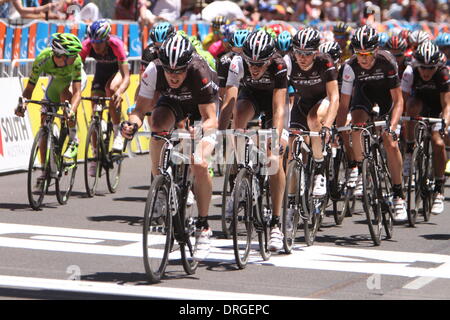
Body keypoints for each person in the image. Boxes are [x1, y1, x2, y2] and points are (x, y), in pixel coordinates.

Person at [122, 34, 219, 261]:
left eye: (178, 72)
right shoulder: (153, 71)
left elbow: (211, 118)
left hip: (202, 109)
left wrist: (200, 131)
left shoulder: (199, 71)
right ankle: (159, 184)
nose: (173, 76)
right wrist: (131, 125)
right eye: (169, 71)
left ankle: (204, 226)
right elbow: (140, 110)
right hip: (173, 102)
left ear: (187, 66)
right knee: (156, 126)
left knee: (199, 162)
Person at [218, 30, 289, 252]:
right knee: (238, 115)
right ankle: (239, 180)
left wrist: (275, 138)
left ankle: (276, 223)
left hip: (273, 102)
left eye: (260, 64)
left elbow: (279, 108)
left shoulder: (279, 65)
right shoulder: (237, 62)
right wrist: (220, 134)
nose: (255, 68)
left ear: (270, 59)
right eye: (251, 63)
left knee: (273, 159)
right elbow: (228, 102)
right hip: (251, 97)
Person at [336, 25, 408, 222]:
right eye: (359, 53)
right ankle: (359, 167)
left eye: (367, 53)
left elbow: (399, 100)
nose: (363, 58)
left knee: (390, 142)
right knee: (356, 125)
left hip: (387, 98)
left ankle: (398, 193)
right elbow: (343, 106)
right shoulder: (350, 66)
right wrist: (340, 131)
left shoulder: (387, 62)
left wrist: (393, 128)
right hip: (364, 95)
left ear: (375, 50)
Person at [15, 33, 84, 167]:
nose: (76, 57)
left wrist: (72, 111)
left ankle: (73, 140)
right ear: (62, 56)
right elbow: (29, 88)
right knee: (44, 121)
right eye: (73, 55)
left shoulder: (76, 62)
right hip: (57, 80)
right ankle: (43, 168)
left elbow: (77, 92)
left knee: (66, 98)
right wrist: (23, 103)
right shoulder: (43, 59)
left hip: (72, 82)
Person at [286, 28, 340, 197]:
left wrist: (328, 126)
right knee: (291, 143)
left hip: (323, 100)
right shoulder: (288, 62)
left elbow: (334, 97)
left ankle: (319, 170)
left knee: (313, 118)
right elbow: (281, 95)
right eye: (299, 53)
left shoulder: (325, 62)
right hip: (302, 102)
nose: (302, 58)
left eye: (307, 54)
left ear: (316, 52)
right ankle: (292, 202)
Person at [401, 41, 450, 215]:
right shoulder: (410, 72)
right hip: (419, 104)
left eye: (431, 68)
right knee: (411, 106)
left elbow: (447, 106)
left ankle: (438, 188)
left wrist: (444, 123)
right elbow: (402, 101)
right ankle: (410, 147)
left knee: (437, 142)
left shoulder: (443, 74)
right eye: (423, 67)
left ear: (437, 65)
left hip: (438, 108)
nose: (426, 72)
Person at [80, 19, 130, 168]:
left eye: (99, 42)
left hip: (118, 72)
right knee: (95, 113)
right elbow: (76, 71)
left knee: (112, 89)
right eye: (93, 42)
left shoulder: (116, 44)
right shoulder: (86, 45)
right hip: (101, 73)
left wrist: (120, 91)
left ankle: (117, 133)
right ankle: (95, 155)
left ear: (107, 39)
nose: (96, 46)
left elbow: (126, 76)